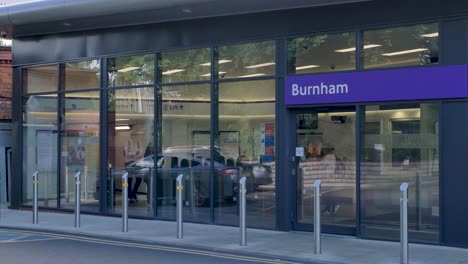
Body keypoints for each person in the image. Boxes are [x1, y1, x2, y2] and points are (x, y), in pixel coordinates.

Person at [124, 132, 145, 203]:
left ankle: (133, 193)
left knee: (139, 179)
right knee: (129, 179)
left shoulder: (140, 142)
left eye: (136, 135)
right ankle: (130, 195)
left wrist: (132, 155)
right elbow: (126, 153)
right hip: (129, 162)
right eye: (133, 135)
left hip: (138, 163)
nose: (134, 136)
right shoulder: (127, 141)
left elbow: (141, 153)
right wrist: (135, 153)